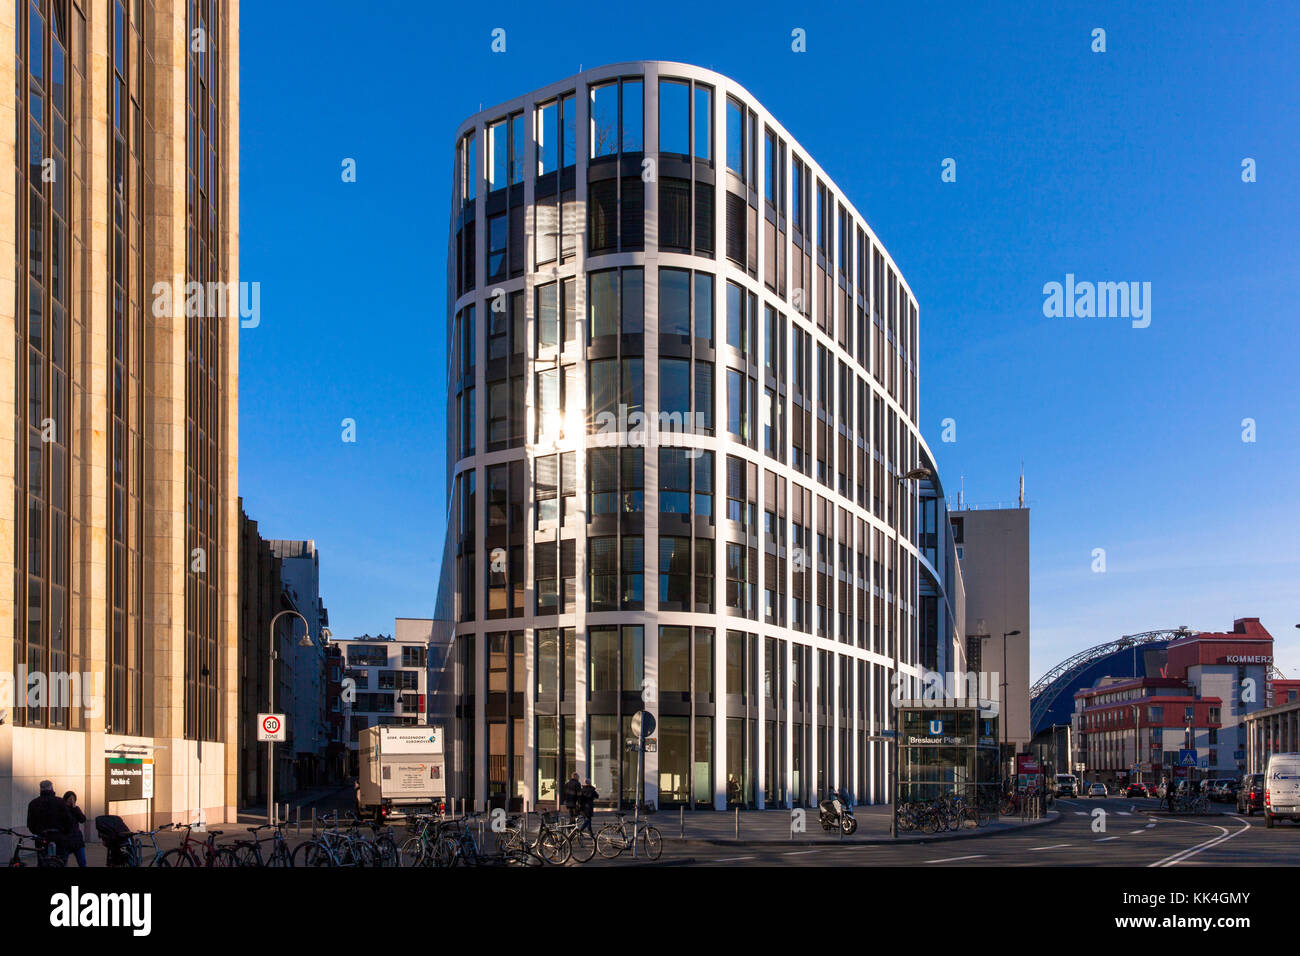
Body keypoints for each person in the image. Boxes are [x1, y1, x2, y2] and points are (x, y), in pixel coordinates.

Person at [26, 780, 73, 862]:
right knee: (60, 861)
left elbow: (30, 823)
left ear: (40, 789)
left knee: (42, 861)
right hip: (59, 836)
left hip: (41, 836)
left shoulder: (33, 803)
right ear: (51, 788)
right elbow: (68, 820)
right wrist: (66, 833)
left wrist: (37, 832)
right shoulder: (60, 802)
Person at [62, 792, 87, 867]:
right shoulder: (62, 809)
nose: (71, 801)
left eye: (73, 799)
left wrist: (75, 808)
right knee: (63, 861)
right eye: (70, 799)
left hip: (77, 839)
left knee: (82, 862)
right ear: (66, 799)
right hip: (66, 839)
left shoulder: (76, 808)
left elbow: (82, 819)